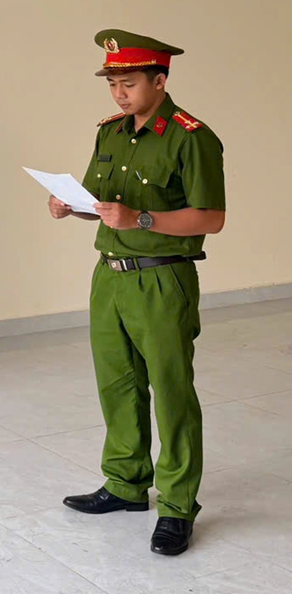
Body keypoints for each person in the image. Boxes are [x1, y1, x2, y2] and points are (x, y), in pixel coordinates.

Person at [49, 29, 226, 557]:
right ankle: (126, 484)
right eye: (113, 85)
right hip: (110, 277)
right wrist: (71, 206)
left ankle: (177, 506)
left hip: (162, 278)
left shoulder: (191, 137)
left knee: (171, 393)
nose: (119, 94)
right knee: (118, 384)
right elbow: (103, 204)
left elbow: (211, 218)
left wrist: (141, 219)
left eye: (128, 83)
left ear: (160, 80)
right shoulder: (110, 133)